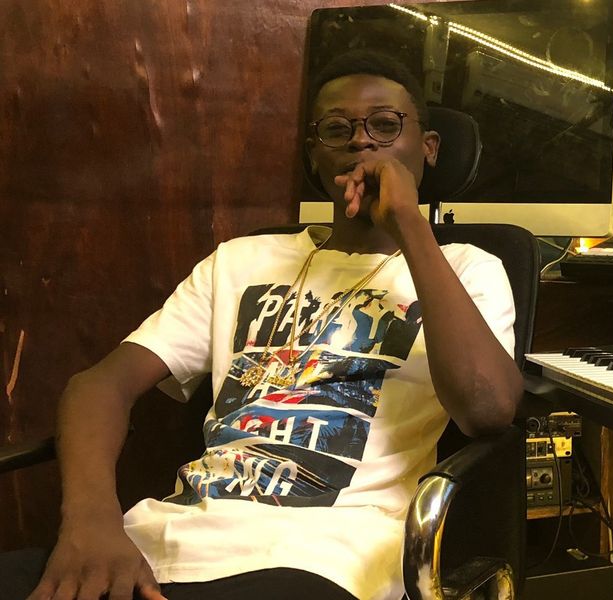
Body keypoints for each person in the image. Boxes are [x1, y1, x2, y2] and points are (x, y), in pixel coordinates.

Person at [5, 50, 523, 600]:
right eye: (337, 128)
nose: (361, 141)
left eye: (385, 125)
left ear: (429, 147)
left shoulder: (467, 269)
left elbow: (487, 408)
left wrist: (407, 222)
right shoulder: (240, 261)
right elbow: (99, 386)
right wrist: (90, 523)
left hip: (327, 558)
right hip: (165, 543)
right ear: (313, 155)